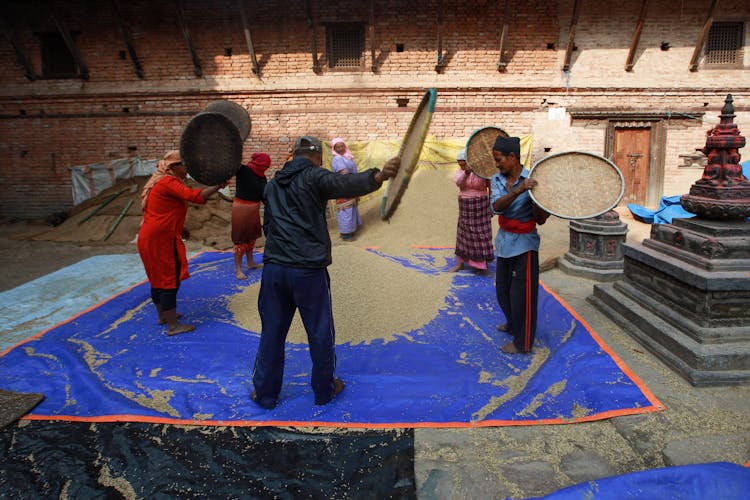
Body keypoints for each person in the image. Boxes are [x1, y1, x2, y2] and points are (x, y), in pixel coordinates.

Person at [251, 136, 400, 409]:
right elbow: (342, 183)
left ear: (293, 155)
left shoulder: (272, 185)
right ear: (318, 157)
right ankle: (324, 390)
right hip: (307, 270)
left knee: (271, 332)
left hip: (274, 269)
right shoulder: (314, 176)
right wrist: (377, 176)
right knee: (319, 332)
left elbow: (268, 225)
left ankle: (264, 394)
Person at [137, 150, 225, 335]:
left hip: (151, 236)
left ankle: (163, 316)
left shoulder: (158, 180)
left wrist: (180, 228)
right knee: (169, 279)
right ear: (175, 167)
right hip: (161, 239)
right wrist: (218, 186)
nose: (187, 171)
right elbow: (195, 197)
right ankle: (173, 326)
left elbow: (163, 209)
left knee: (157, 278)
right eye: (185, 166)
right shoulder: (168, 182)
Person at [490, 136, 550, 354]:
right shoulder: (496, 180)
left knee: (522, 296)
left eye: (499, 160)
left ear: (513, 157)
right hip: (505, 242)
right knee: (503, 292)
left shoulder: (535, 179)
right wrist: (518, 190)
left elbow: (542, 218)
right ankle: (513, 324)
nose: (496, 164)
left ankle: (523, 343)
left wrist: (534, 198)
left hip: (526, 244)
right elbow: (496, 207)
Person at [448, 148, 495, 275]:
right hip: (465, 206)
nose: (461, 164)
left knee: (481, 234)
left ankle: (481, 265)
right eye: (459, 162)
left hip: (481, 206)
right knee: (464, 234)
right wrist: (466, 173)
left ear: (470, 161)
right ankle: (460, 263)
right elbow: (459, 183)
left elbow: (491, 187)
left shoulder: (483, 172)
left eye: (463, 161)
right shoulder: (460, 173)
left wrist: (491, 204)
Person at [232, 152, 271, 279]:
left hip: (254, 208)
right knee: (240, 238)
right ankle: (238, 269)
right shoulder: (243, 170)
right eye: (264, 165)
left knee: (251, 236)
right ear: (258, 162)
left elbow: (263, 195)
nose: (265, 168)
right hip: (241, 208)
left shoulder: (262, 177)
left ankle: (250, 262)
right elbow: (230, 164)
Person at [331, 138, 363, 240]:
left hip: (351, 185)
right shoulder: (337, 159)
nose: (340, 148)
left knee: (352, 207)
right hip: (344, 186)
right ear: (334, 149)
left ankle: (351, 230)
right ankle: (345, 234)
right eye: (338, 147)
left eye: (342, 146)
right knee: (346, 209)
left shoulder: (348, 157)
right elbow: (344, 172)